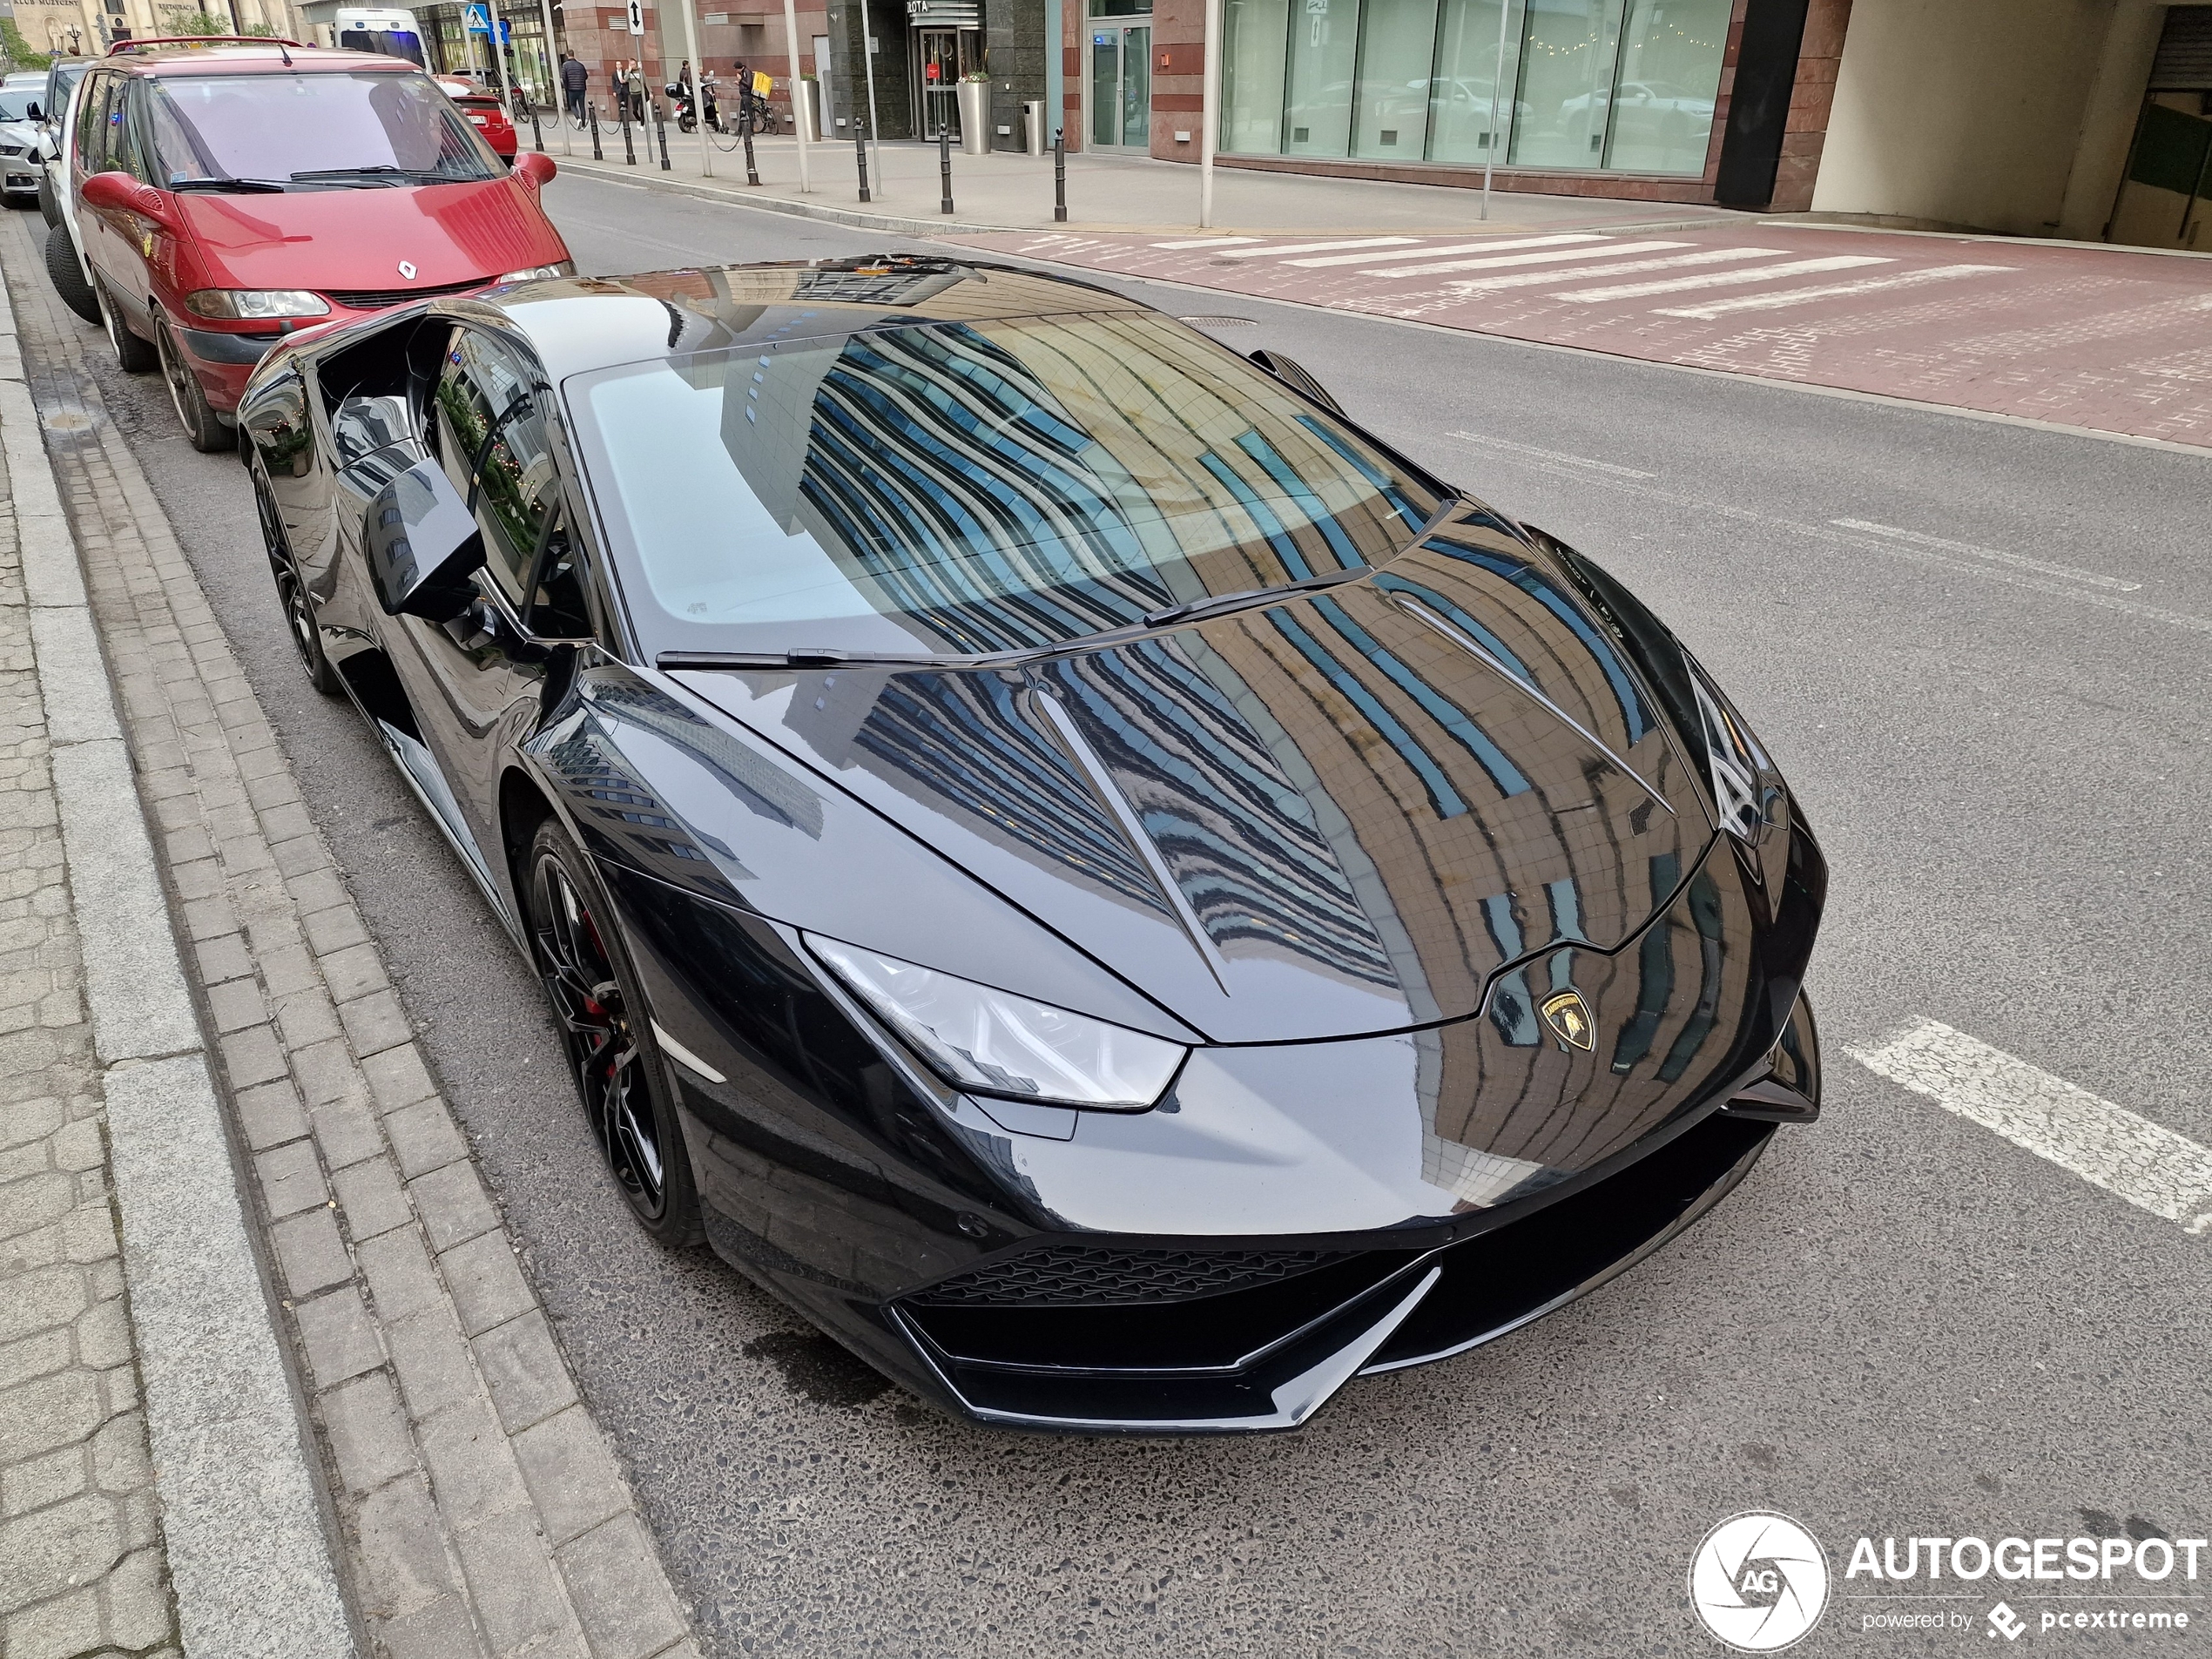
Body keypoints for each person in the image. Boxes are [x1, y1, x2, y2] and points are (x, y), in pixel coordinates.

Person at [559, 51, 587, 124]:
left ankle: (578, 118)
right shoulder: (580, 65)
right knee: (582, 106)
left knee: (573, 105)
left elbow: (564, 77)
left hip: (571, 89)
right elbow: (585, 76)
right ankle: (583, 123)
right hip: (581, 88)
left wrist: (566, 86)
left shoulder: (565, 65)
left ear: (567, 55)